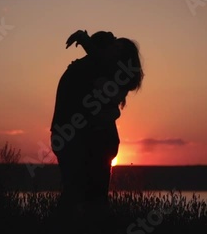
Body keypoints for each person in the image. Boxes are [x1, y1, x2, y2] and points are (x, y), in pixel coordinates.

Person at [49, 30, 144, 232]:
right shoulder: (87, 70)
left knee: (87, 197)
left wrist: (84, 40)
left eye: (117, 48)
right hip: (80, 140)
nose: (112, 51)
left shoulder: (107, 73)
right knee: (83, 196)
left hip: (91, 141)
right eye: (112, 46)